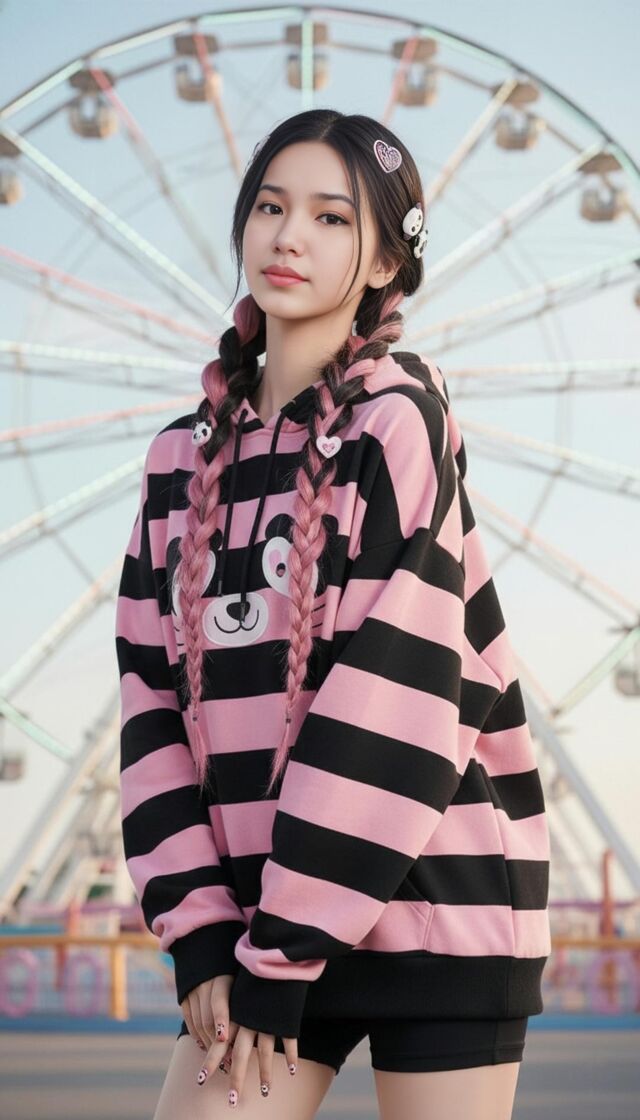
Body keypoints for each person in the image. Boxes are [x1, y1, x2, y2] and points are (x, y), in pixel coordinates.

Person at [115, 109, 551, 1120]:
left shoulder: (399, 426)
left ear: (387, 263)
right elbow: (149, 706)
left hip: (437, 911)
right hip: (258, 925)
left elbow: (396, 694)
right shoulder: (176, 460)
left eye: (331, 217)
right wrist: (202, 931)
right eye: (271, 207)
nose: (290, 237)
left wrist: (283, 945)